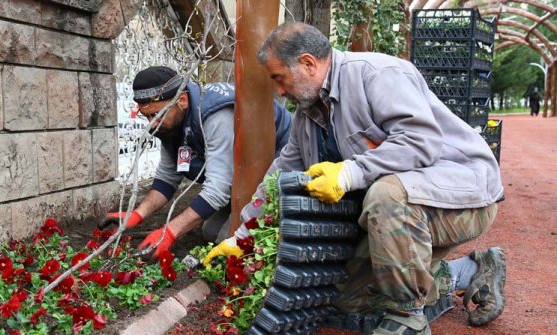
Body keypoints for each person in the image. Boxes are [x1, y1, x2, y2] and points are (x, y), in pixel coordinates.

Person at [204, 22, 506, 334]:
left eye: (279, 79)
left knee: (385, 196)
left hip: (463, 196)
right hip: (400, 208)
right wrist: (241, 236)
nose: (279, 91)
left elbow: (420, 141)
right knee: (346, 298)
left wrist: (350, 172)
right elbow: (280, 175)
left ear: (308, 63)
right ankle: (469, 271)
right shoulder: (307, 114)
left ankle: (406, 318)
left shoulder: (377, 74)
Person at [101, 66, 293, 257]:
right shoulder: (170, 122)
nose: (152, 123)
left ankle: (283, 234)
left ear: (182, 100)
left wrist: (169, 232)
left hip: (280, 167)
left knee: (230, 240)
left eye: (157, 114)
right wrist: (137, 214)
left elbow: (217, 189)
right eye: (147, 116)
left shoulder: (216, 116)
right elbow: (167, 178)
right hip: (240, 174)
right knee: (210, 232)